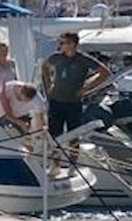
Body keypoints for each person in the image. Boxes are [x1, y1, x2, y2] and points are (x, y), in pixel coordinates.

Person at [40, 31, 111, 162]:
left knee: (74, 134)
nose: (62, 45)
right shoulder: (56, 57)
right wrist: (48, 84)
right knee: (55, 133)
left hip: (74, 101)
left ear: (74, 44)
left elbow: (104, 72)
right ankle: (56, 163)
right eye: (61, 43)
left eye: (65, 43)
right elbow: (44, 67)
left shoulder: (83, 59)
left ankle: (73, 163)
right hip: (56, 100)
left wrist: (86, 87)